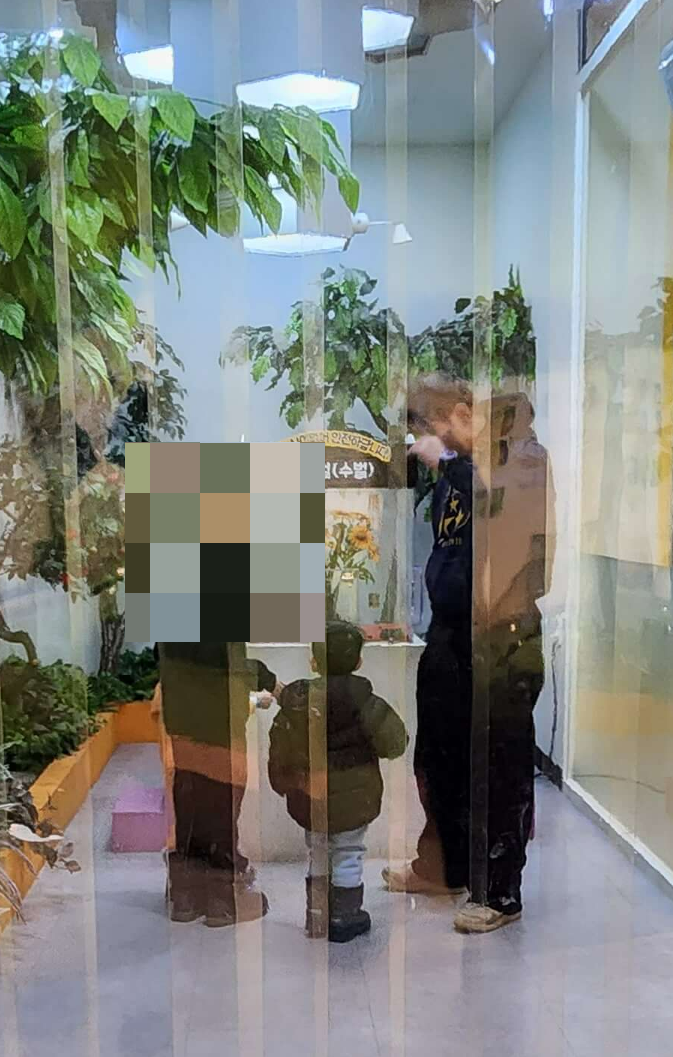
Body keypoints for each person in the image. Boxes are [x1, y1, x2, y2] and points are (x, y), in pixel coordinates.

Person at [391, 376, 554, 933]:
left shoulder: (525, 458)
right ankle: (444, 868)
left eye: (434, 430)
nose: (431, 444)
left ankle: (499, 893)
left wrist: (449, 463)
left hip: (503, 637)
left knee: (498, 767)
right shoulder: (462, 467)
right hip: (450, 631)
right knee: (437, 755)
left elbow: (500, 518)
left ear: (464, 413)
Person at [267, 619, 409, 940]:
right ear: (358, 661)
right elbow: (394, 742)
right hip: (355, 799)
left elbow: (280, 748)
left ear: (313, 662)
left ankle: (317, 914)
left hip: (309, 795)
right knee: (348, 851)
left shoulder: (296, 704)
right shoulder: (367, 702)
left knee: (317, 849)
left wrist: (283, 783)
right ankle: (345, 917)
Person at [157, 640, 276, 926]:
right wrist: (267, 678)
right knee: (221, 799)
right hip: (219, 718)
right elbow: (229, 664)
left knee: (189, 794)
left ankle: (185, 894)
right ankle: (221, 897)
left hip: (182, 713)